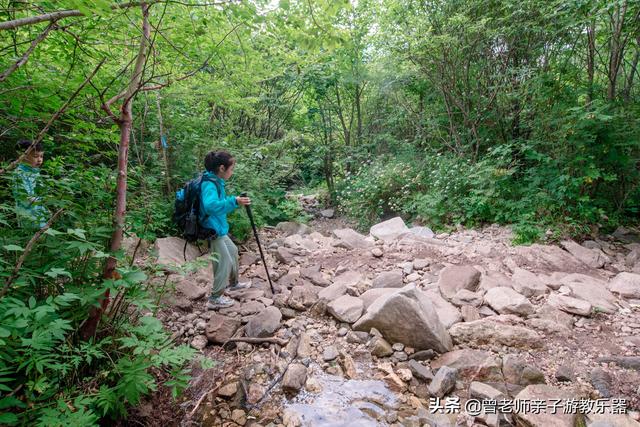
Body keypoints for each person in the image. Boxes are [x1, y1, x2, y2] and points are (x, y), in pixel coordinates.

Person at [201, 151, 252, 309]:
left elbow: (218, 203)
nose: (232, 172)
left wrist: (234, 201)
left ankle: (233, 284)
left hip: (219, 228)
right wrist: (234, 201)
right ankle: (215, 298)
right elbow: (210, 206)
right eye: (231, 168)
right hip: (212, 229)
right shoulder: (209, 184)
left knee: (233, 250)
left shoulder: (216, 181)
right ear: (222, 168)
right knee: (224, 261)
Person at [13, 140, 48, 229]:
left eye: (41, 156)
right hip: (27, 213)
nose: (39, 160)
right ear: (23, 157)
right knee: (32, 235)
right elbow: (22, 196)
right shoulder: (19, 173)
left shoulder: (35, 172)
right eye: (35, 156)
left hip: (39, 211)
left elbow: (41, 192)